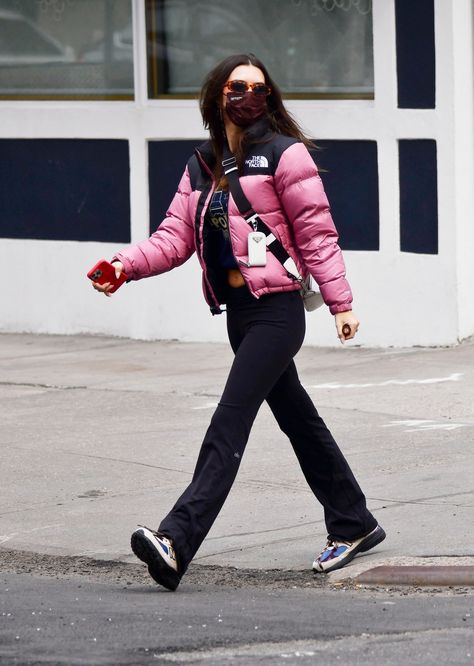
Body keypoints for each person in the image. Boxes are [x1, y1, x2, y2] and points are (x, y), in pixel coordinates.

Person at [92, 53, 385, 591]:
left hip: (276, 313)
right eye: (235, 86)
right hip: (239, 315)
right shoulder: (202, 164)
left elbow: (317, 233)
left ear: (268, 98)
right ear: (216, 95)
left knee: (229, 421)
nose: (247, 95)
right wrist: (125, 266)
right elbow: (174, 238)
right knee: (300, 421)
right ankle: (354, 520)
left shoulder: (284, 154)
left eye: (257, 87)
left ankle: (177, 540)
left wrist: (341, 303)